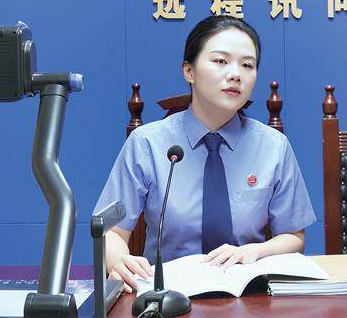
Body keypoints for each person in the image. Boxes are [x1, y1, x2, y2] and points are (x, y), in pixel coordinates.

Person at [95, 15, 316, 292]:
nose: (235, 74)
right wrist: (118, 261)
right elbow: (111, 232)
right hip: (167, 295)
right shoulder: (147, 143)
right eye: (221, 61)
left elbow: (293, 236)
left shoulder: (273, 146)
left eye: (247, 65)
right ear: (189, 71)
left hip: (248, 296)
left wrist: (255, 251)